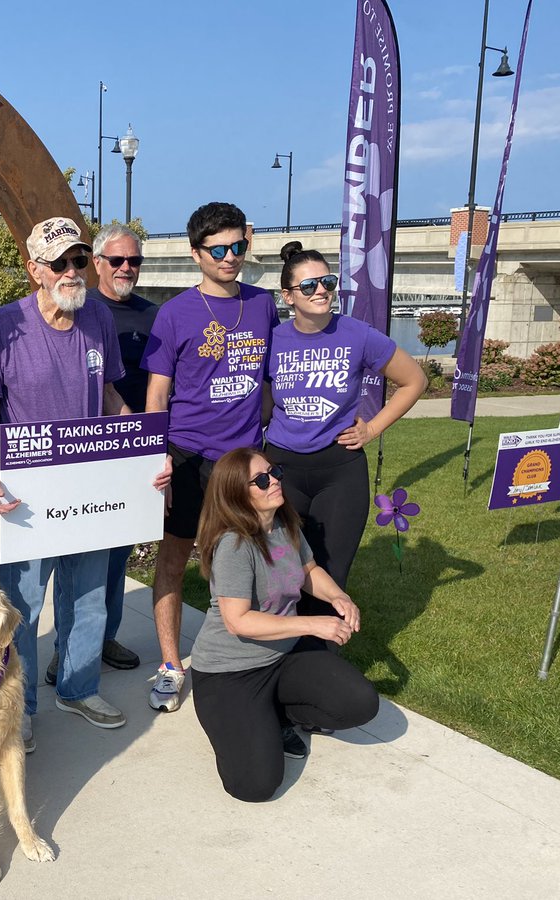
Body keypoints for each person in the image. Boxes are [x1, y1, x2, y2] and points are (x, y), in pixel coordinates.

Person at [0, 215, 166, 751]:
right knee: (21, 606)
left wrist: (143, 448)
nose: (71, 270)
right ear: (33, 268)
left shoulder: (98, 318)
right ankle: (21, 706)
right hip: (28, 492)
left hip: (88, 487)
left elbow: (108, 393)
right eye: (58, 262)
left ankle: (78, 688)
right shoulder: (2, 326)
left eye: (79, 260)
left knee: (88, 599)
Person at [141, 201, 278, 713]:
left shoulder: (264, 304)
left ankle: (245, 657)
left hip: (242, 462)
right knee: (175, 561)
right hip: (187, 457)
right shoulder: (174, 313)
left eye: (238, 246)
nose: (230, 257)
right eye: (218, 249)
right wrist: (159, 459)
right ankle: (172, 666)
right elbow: (158, 394)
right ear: (196, 254)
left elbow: (267, 383)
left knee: (245, 563)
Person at [189, 447, 380, 802]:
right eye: (262, 480)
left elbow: (308, 571)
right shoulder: (234, 543)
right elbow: (237, 621)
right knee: (255, 786)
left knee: (360, 703)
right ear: (236, 494)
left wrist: (339, 597)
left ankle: (275, 713)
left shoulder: (281, 522)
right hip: (229, 673)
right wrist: (312, 625)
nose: (275, 481)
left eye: (274, 472)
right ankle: (239, 720)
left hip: (282, 659)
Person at [265, 241, 426, 592]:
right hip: (282, 469)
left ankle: (323, 645)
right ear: (288, 296)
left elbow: (414, 381)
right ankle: (285, 645)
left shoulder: (357, 334)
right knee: (285, 572)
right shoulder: (272, 340)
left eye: (328, 282)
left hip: (340, 470)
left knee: (332, 573)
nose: (321, 291)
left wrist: (371, 429)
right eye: (309, 286)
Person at [42, 223, 152, 685]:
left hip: (124, 454)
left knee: (112, 559)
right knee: (61, 568)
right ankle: (63, 651)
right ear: (100, 266)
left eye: (135, 261)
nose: (126, 268)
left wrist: (148, 445)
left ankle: (100, 639)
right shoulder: (82, 308)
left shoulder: (153, 315)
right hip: (68, 460)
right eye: (117, 260)